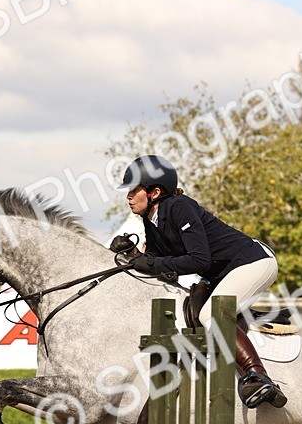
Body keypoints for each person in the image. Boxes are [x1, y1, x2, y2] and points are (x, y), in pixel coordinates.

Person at [118, 154, 286, 409]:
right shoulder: (150, 220)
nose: (128, 195)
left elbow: (199, 260)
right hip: (223, 274)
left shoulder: (179, 207)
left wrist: (151, 263)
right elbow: (157, 260)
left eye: (134, 189)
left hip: (253, 262)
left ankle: (258, 375)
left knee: (211, 315)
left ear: (154, 192)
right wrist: (132, 255)